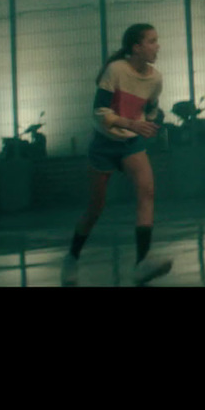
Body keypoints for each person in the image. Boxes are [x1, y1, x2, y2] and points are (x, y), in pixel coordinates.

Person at [61, 23, 173, 286]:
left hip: (131, 144)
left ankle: (142, 262)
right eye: (152, 41)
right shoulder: (116, 70)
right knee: (95, 208)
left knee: (147, 193)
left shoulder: (155, 78)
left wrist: (151, 123)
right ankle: (71, 258)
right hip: (104, 144)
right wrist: (132, 124)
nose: (157, 46)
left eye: (157, 40)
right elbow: (100, 113)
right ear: (136, 47)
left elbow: (153, 107)